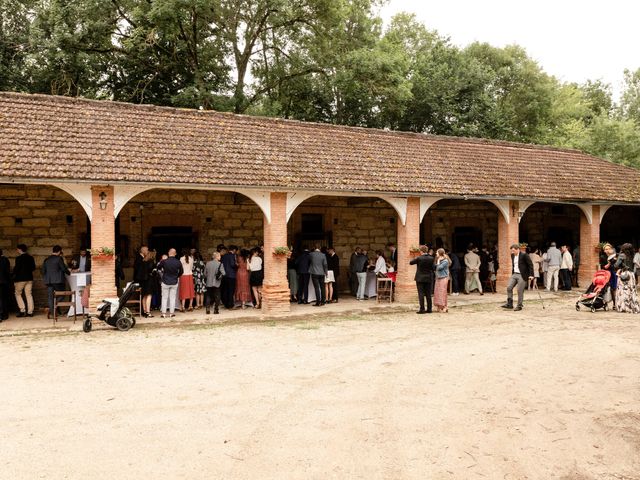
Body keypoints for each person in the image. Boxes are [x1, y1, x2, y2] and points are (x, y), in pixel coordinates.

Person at [502, 244, 534, 311]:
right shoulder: (512, 255)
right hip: (514, 274)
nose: (512, 252)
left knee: (519, 290)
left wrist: (531, 275)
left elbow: (530, 265)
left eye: (513, 251)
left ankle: (519, 305)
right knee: (509, 287)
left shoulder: (524, 255)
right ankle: (509, 304)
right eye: (512, 251)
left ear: (518, 249)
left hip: (522, 275)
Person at [42, 245, 70, 319]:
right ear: (59, 251)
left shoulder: (46, 259)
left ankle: (52, 312)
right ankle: (54, 307)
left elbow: (43, 271)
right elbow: (64, 269)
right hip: (58, 281)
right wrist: (69, 272)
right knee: (62, 295)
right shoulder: (59, 259)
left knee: (50, 297)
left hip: (48, 281)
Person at [613, 243, 639, 313]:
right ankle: (632, 307)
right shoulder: (632, 255)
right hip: (631, 275)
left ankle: (623, 307)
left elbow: (616, 265)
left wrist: (615, 260)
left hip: (624, 274)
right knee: (631, 290)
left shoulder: (622, 255)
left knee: (623, 291)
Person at [158, 248, 183, 318]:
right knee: (172, 298)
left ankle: (163, 313)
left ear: (169, 253)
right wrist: (176, 276)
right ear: (175, 254)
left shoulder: (164, 261)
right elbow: (181, 272)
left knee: (164, 298)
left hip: (165, 281)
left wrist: (163, 273)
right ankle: (171, 313)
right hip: (174, 281)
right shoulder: (178, 262)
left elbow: (158, 267)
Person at [13, 244, 36, 318]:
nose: (17, 251)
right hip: (29, 278)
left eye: (17, 249)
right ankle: (30, 312)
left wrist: (12, 275)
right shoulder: (31, 257)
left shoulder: (18, 258)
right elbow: (33, 268)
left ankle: (22, 310)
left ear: (20, 249)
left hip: (20, 279)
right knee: (29, 294)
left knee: (18, 294)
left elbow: (16, 269)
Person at [410, 245, 434, 314]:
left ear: (421, 251)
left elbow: (411, 263)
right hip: (429, 277)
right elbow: (433, 268)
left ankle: (422, 309)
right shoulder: (431, 258)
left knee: (421, 294)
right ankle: (429, 309)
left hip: (420, 278)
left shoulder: (419, 258)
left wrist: (415, 257)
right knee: (428, 294)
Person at [139, 249, 156, 318]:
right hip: (149, 280)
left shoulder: (143, 261)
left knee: (144, 295)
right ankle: (148, 312)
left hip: (143, 281)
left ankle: (145, 311)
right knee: (149, 295)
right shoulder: (151, 262)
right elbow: (152, 271)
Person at [433, 248, 450, 313]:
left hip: (443, 278)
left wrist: (438, 262)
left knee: (442, 292)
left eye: (437, 252)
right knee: (437, 292)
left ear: (440, 253)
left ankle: (445, 306)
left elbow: (439, 268)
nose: (436, 253)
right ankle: (439, 306)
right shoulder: (439, 259)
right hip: (438, 277)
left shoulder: (445, 261)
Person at [0, 249, 11, 321]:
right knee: (4, 298)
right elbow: (7, 271)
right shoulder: (5, 260)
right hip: (4, 282)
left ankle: (0, 315)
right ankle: (5, 314)